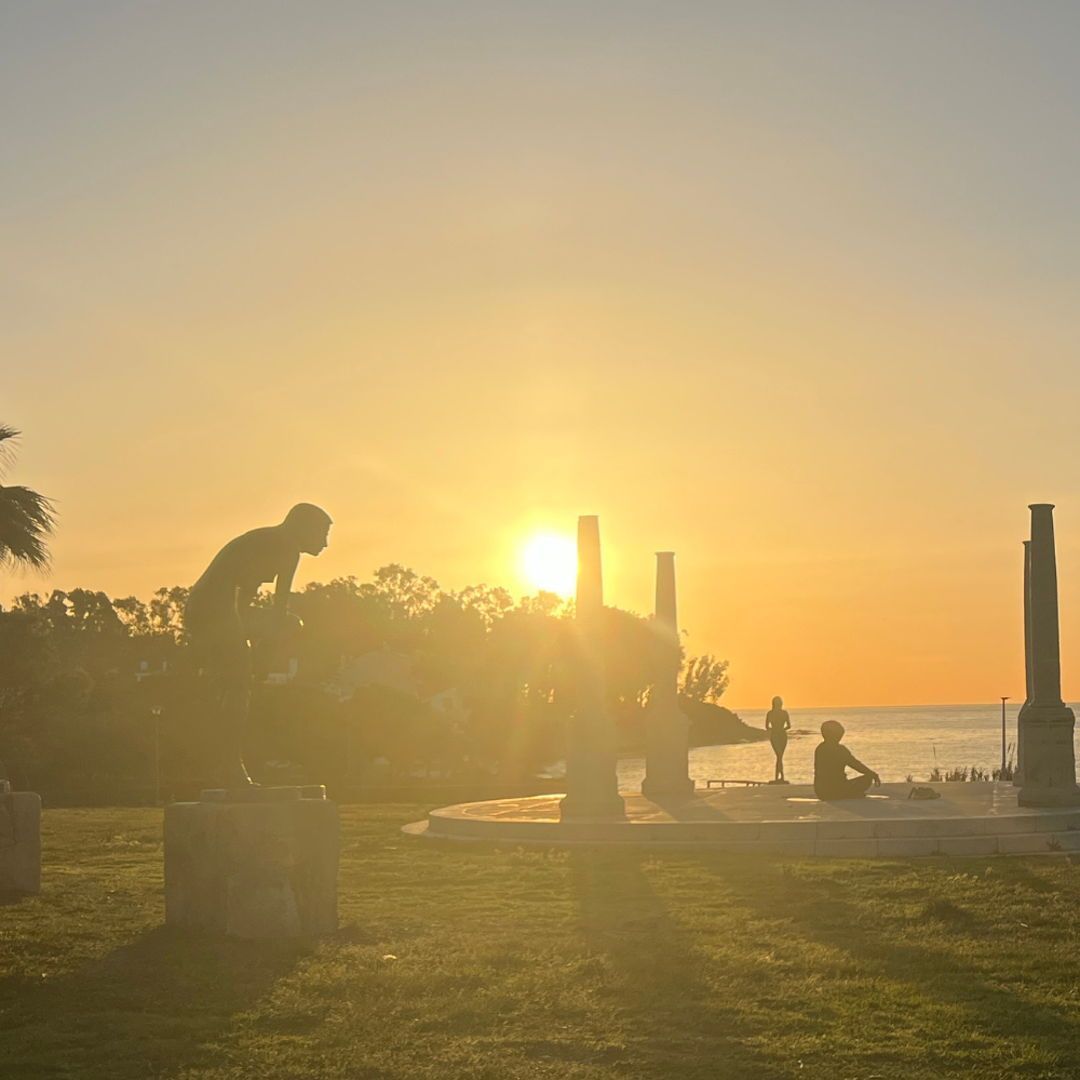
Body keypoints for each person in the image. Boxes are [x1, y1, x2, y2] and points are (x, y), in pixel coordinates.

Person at [186, 503, 332, 787]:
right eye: (322, 533)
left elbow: (247, 596)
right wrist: (263, 649)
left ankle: (225, 762)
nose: (325, 543)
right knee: (239, 686)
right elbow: (278, 610)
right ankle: (229, 766)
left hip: (211, 609)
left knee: (237, 684)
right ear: (304, 527)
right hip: (214, 611)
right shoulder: (287, 547)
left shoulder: (270, 540)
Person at [814, 720, 881, 800]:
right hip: (837, 789)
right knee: (867, 778)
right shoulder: (839, 750)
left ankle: (847, 793)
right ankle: (848, 794)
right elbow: (855, 764)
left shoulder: (820, 748)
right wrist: (872, 774)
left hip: (821, 791)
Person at [765, 695, 791, 782]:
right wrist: (781, 729)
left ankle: (779, 777)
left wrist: (775, 729)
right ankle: (780, 776)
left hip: (778, 735)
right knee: (779, 756)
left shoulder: (771, 713)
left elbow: (767, 727)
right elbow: (788, 726)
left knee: (779, 756)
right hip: (779, 735)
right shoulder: (781, 713)